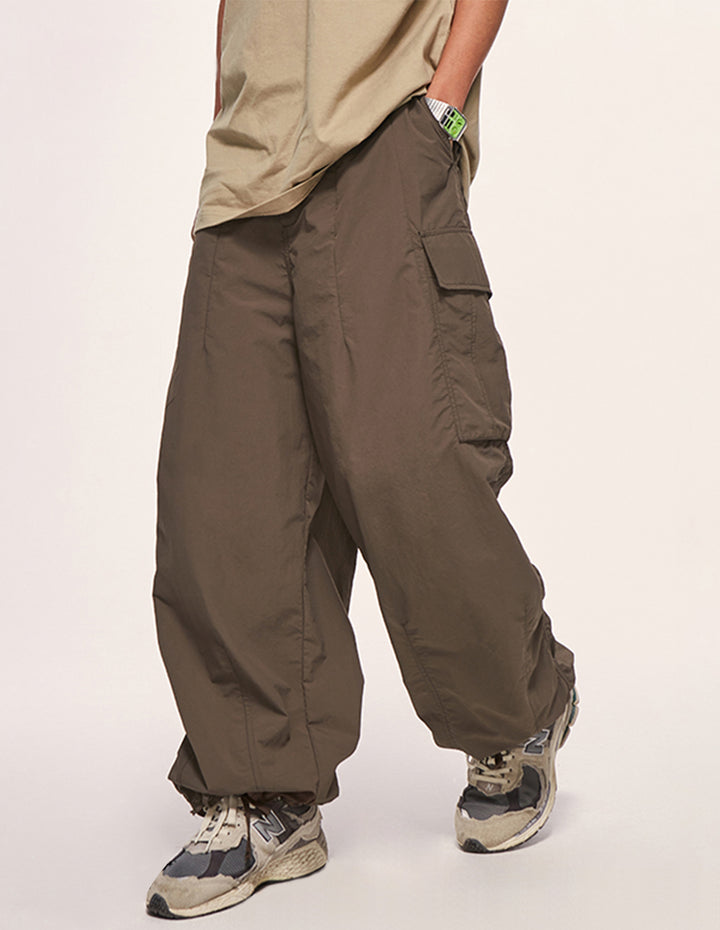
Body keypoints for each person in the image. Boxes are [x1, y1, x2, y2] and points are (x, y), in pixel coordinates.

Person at [146, 0, 579, 919]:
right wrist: (228, 113)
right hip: (249, 166)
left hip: (385, 135)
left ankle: (519, 710)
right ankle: (267, 793)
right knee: (225, 493)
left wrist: (442, 111)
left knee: (409, 462)